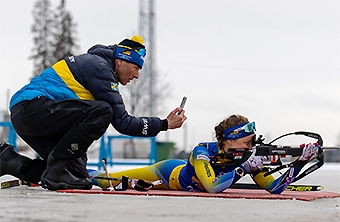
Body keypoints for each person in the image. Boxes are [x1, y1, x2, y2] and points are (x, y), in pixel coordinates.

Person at [0, 35, 187, 191]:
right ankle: (55, 169)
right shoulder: (100, 68)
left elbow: (78, 124)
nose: (136, 75)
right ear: (121, 61)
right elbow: (122, 122)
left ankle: (9, 162)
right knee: (103, 111)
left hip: (31, 114)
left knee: (78, 178)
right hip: (32, 108)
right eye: (136, 68)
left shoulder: (98, 68)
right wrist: (164, 124)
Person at [89, 114, 319, 194]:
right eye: (247, 142)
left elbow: (275, 188)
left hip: (181, 180)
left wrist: (299, 163)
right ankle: (82, 173)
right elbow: (212, 186)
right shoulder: (202, 152)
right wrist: (243, 168)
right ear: (230, 139)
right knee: (105, 180)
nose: (251, 147)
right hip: (168, 173)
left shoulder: (247, 157)